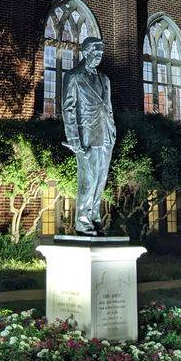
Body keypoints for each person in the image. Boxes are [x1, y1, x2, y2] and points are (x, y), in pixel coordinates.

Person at [61, 37, 116, 235]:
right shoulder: (73, 76)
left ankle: (95, 217)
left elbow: (107, 108)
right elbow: (68, 109)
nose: (99, 58)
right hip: (85, 136)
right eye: (96, 54)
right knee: (88, 180)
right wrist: (74, 139)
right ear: (85, 53)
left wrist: (112, 131)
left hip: (106, 135)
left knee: (101, 179)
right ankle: (83, 222)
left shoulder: (105, 79)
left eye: (101, 54)